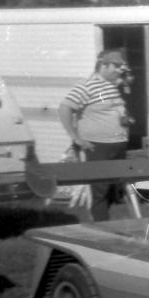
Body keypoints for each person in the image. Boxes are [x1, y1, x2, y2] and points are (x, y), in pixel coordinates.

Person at [58, 49, 131, 221]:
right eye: (116, 66)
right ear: (103, 65)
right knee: (98, 192)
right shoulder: (87, 86)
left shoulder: (112, 85)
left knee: (113, 192)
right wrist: (75, 137)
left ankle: (109, 227)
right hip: (97, 147)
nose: (120, 70)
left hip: (117, 145)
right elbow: (64, 108)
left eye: (122, 67)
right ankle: (101, 232)